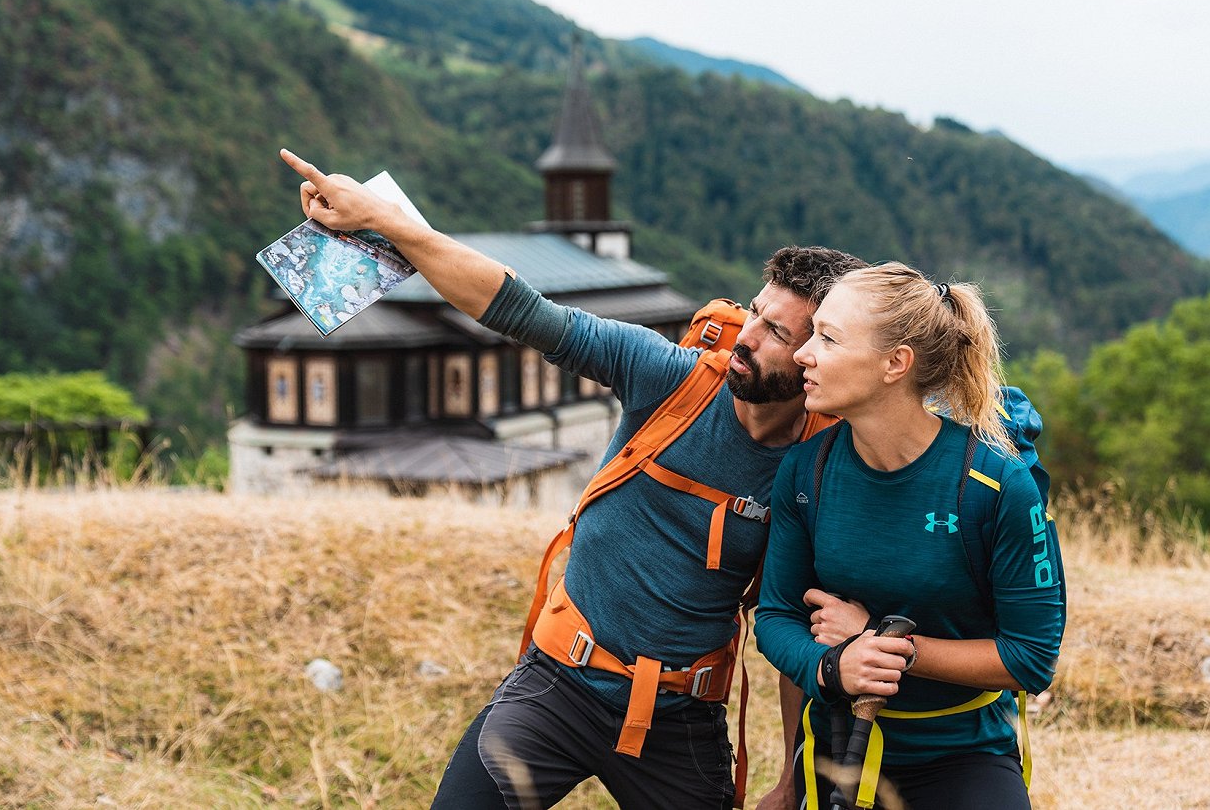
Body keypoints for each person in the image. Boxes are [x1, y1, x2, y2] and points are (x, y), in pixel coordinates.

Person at [278, 149, 867, 809]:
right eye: (754, 312)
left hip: (680, 720)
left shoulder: (819, 467)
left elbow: (793, 619)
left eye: (775, 331)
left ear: (816, 353)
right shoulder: (667, 377)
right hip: (558, 684)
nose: (746, 337)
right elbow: (517, 307)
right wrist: (385, 219)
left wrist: (792, 779)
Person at [754, 263, 1066, 810]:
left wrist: (882, 643)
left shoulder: (996, 486)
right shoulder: (806, 472)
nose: (804, 353)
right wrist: (832, 666)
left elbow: (1031, 658)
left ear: (895, 363)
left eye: (828, 338)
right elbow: (776, 617)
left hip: (963, 759)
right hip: (834, 749)